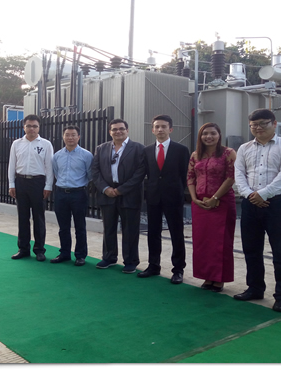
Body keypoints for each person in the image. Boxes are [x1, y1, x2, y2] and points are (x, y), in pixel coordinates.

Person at [234, 108, 281, 313]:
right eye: (254, 125)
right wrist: (250, 195)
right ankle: (255, 288)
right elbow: (239, 174)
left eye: (263, 124)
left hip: (275, 204)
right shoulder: (244, 148)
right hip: (249, 203)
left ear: (274, 123)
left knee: (280, 251)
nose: (258, 128)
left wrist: (263, 194)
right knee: (251, 249)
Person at [139, 114, 190, 284]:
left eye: (163, 126)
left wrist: (178, 191)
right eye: (157, 127)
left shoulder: (181, 150)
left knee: (176, 233)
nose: (160, 129)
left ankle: (178, 269)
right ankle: (153, 265)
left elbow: (185, 174)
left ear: (171, 129)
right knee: (153, 232)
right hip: (153, 197)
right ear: (152, 130)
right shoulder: (147, 150)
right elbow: (147, 174)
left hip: (173, 197)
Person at [187, 123, 237, 292]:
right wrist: (194, 198)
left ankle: (219, 278)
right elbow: (190, 177)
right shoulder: (196, 155)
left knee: (221, 241)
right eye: (205, 134)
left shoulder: (228, 153)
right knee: (202, 242)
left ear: (219, 135)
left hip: (222, 202)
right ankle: (207, 276)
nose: (208, 137)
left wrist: (215, 197)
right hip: (200, 203)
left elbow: (231, 177)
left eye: (212, 133)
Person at [91, 119, 145, 274]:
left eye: (121, 128)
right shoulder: (101, 148)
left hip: (129, 194)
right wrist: (105, 188)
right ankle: (109, 257)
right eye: (114, 129)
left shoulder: (138, 148)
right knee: (109, 228)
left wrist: (121, 189)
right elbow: (95, 171)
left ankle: (130, 261)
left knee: (130, 230)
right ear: (110, 132)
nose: (118, 131)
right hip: (107, 194)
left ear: (127, 130)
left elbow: (140, 172)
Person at [8, 114, 54, 262]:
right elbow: (11, 165)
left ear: (39, 128)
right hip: (21, 182)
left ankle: (39, 250)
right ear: (24, 127)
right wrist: (11, 184)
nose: (31, 129)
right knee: (23, 217)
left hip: (38, 183)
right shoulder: (16, 144)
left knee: (38, 217)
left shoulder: (46, 144)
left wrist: (48, 185)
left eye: (35, 126)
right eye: (29, 126)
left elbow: (49, 167)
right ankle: (23, 249)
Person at [50, 125, 94, 266]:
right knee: (63, 227)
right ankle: (64, 253)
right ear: (63, 137)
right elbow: (56, 173)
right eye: (67, 135)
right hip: (61, 193)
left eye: (73, 135)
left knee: (80, 226)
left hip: (78, 194)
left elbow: (90, 175)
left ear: (78, 137)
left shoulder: (86, 155)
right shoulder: (57, 156)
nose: (70, 137)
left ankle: (80, 255)